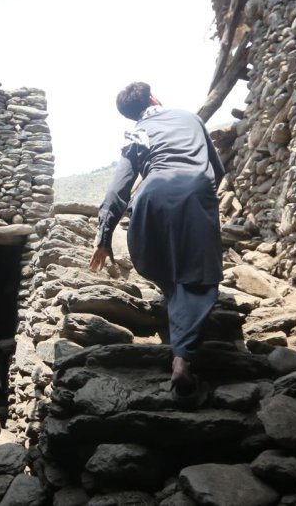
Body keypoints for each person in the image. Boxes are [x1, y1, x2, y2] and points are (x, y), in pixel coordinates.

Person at [89, 82, 225, 405]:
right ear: (153, 98)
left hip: (149, 203)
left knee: (169, 273)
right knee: (197, 279)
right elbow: (217, 171)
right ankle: (182, 359)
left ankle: (177, 327)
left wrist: (104, 237)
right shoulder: (191, 119)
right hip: (194, 194)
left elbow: (117, 191)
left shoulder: (138, 133)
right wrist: (200, 200)